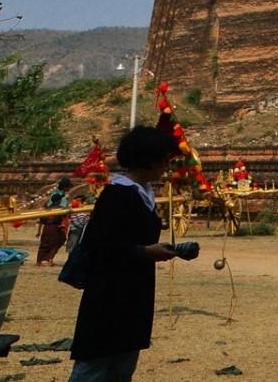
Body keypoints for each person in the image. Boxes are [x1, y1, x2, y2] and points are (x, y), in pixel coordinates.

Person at [68, 125, 200, 381]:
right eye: (164, 158)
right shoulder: (117, 195)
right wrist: (144, 252)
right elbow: (99, 246)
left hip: (133, 295)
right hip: (108, 295)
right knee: (93, 369)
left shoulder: (144, 195)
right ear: (149, 159)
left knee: (121, 368)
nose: (166, 164)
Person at [36, 176, 72, 266]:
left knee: (44, 243)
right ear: (64, 187)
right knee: (59, 240)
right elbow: (65, 211)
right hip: (56, 224)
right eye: (68, 187)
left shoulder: (53, 197)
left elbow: (42, 217)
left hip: (47, 224)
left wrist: (39, 231)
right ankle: (50, 259)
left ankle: (39, 261)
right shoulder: (61, 198)